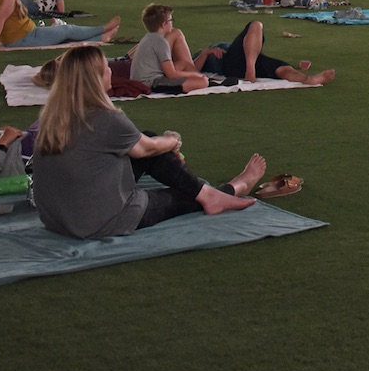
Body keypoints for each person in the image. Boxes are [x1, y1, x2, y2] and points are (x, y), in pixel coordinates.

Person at [29, 45, 266, 239]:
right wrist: (172, 141)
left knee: (149, 139)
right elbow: (147, 149)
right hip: (100, 221)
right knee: (180, 196)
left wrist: (160, 143)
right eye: (106, 68)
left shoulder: (52, 116)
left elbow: (142, 146)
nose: (111, 70)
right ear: (96, 79)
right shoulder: (106, 118)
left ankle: (209, 193)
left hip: (57, 220)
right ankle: (228, 190)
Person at [194, 19, 336, 86]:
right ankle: (250, 72)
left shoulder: (234, 47)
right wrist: (206, 53)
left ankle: (308, 79)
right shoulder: (201, 55)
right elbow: (192, 70)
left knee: (282, 68)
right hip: (230, 63)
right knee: (255, 25)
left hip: (250, 59)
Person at [129, 5, 217, 94]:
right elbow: (171, 74)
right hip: (152, 83)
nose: (172, 23)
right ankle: (205, 80)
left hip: (144, 79)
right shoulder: (161, 42)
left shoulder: (149, 37)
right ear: (164, 24)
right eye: (171, 20)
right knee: (202, 82)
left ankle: (202, 78)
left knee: (184, 64)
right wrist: (194, 75)